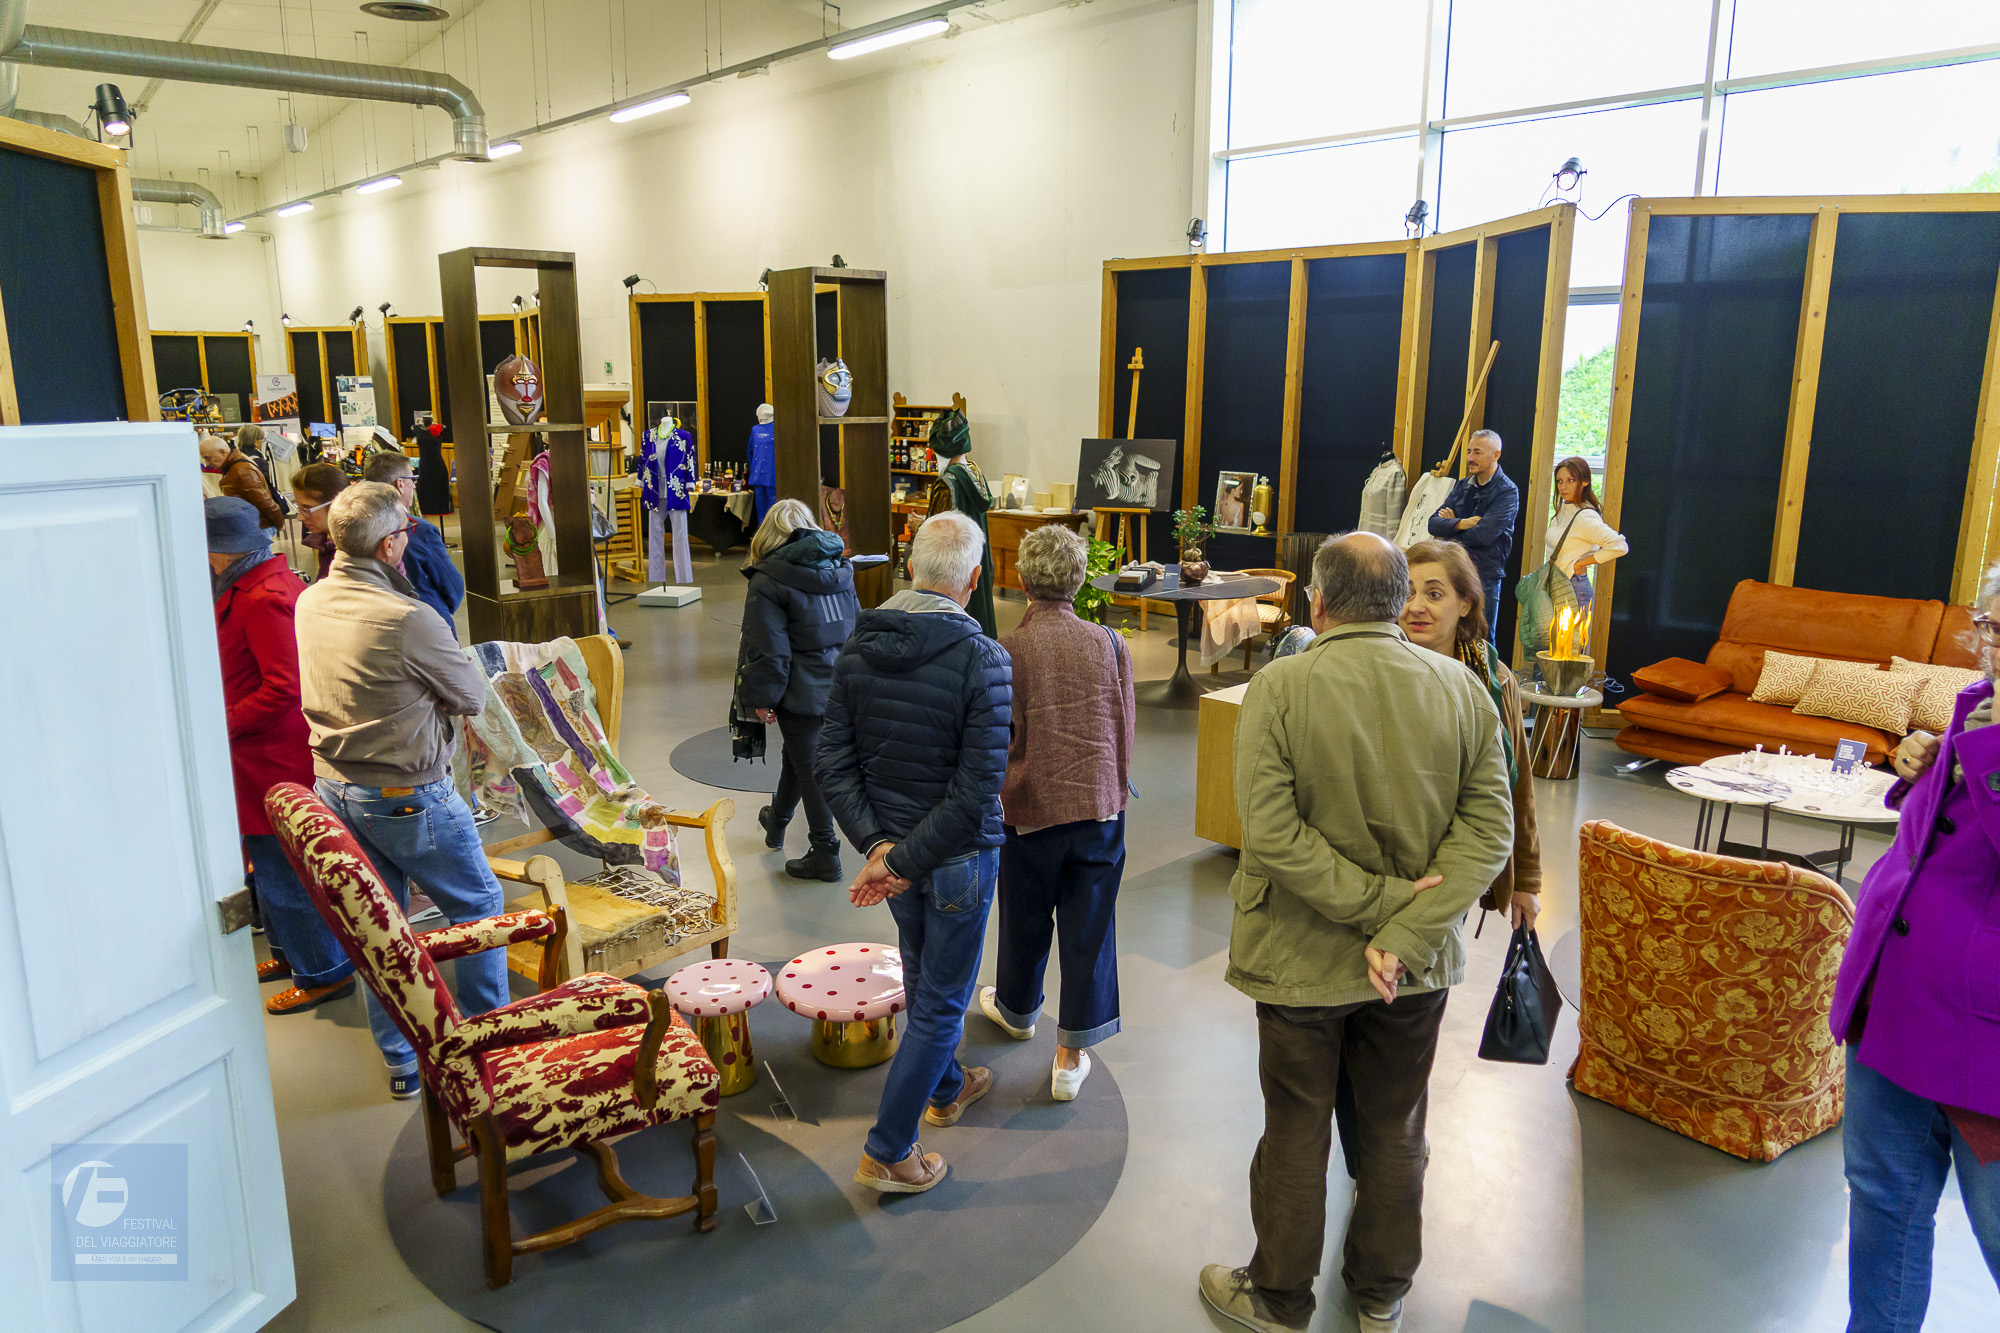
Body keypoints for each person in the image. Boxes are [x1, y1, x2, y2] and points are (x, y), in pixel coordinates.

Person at [1200, 532, 1513, 1333]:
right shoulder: (1463, 691)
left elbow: (1271, 834)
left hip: (1297, 953)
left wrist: (1377, 906)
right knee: (1397, 1125)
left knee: (1295, 1126)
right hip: (1413, 965)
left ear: (1319, 601)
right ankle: (1380, 1293)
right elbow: (1491, 833)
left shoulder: (1280, 686)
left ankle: (1279, 1298)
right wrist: (1403, 925)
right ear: (1400, 597)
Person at [817, 510, 1012, 1194]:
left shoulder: (857, 646)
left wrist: (882, 849)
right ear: (974, 580)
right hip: (955, 860)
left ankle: (949, 1086)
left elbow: (832, 761)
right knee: (940, 1003)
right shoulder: (984, 658)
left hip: (895, 857)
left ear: (910, 567)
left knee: (926, 978)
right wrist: (894, 859)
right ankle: (889, 1149)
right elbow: (977, 790)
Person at [294, 481, 510, 1100]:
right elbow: (470, 695)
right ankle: (488, 1047)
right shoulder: (408, 618)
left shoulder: (311, 599)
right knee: (479, 907)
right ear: (391, 545)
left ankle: (402, 1063)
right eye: (408, 529)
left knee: (380, 926)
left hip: (334, 788)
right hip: (407, 794)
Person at [1830, 568, 2000, 1330]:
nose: (1990, 646)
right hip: (1894, 1007)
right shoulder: (1976, 705)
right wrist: (1926, 769)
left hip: (1983, 1047)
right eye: (1988, 626)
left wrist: (1985, 754)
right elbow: (1939, 836)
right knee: (1884, 1208)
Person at [977, 524, 1134, 1099]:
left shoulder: (1005, 651)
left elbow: (997, 738)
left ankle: (1018, 1011)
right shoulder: (1110, 643)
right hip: (1098, 807)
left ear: (1021, 580)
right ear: (1081, 579)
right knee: (1091, 927)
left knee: (1022, 914)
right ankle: (1070, 1058)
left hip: (1029, 810)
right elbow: (1124, 727)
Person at [205, 497, 357, 1014]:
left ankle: (322, 971)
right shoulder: (255, 582)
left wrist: (222, 723)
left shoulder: (263, 595)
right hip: (258, 751)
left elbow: (283, 687)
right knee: (269, 862)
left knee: (282, 866)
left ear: (220, 552)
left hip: (271, 755)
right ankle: (291, 953)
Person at [1399, 540, 1540, 932]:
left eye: (1434, 594)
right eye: (1407, 593)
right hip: (1386, 859)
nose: (1416, 607)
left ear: (1465, 603)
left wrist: (1527, 879)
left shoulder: (1493, 680)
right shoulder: (1374, 667)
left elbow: (1517, 783)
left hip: (1458, 860)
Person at [739, 498, 860, 883]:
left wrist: (762, 699)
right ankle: (776, 822)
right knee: (798, 759)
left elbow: (769, 651)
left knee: (811, 769)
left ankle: (825, 851)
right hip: (841, 684)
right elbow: (856, 629)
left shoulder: (768, 581)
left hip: (800, 691)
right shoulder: (840, 570)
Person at [1425, 429, 1519, 648]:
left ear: (1496, 455)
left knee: (1482, 640)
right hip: (1453, 572)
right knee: (1451, 636)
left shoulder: (1506, 492)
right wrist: (1461, 523)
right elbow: (1432, 524)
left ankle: (1485, 674)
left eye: (1477, 452)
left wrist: (1449, 528)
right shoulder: (1463, 485)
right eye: (1468, 451)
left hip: (1484, 575)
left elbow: (1483, 536)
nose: (1470, 458)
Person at [361, 450, 465, 634]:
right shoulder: (418, 529)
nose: (414, 486)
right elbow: (452, 585)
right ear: (400, 484)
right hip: (427, 621)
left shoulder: (359, 526)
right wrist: (440, 609)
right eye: (412, 479)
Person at [925, 410, 998, 637]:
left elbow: (937, 534)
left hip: (954, 569)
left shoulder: (947, 483)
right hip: (978, 559)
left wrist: (920, 525)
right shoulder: (976, 473)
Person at [1545, 456, 1626, 613]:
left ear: (1585, 481)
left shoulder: (1585, 515)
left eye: (1571, 480)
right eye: (1560, 481)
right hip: (1556, 584)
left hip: (1573, 587)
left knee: (1570, 631)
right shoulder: (1564, 509)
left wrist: (1579, 563)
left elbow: (1619, 546)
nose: (1563, 486)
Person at [202, 433, 286, 529]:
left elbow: (265, 502)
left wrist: (279, 524)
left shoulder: (241, 471)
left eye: (208, 458)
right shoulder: (235, 463)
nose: (207, 463)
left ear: (222, 452)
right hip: (252, 525)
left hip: (255, 527)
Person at [291, 461, 349, 582]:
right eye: (298, 507)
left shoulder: (353, 555)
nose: (299, 517)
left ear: (336, 504)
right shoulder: (326, 543)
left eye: (307, 509)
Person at [746, 403, 777, 527]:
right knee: (767, 512)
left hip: (764, 476)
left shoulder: (757, 430)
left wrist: (753, 469)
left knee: (770, 511)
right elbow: (750, 451)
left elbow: (750, 452)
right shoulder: (755, 429)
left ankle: (769, 535)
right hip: (764, 476)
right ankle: (765, 535)